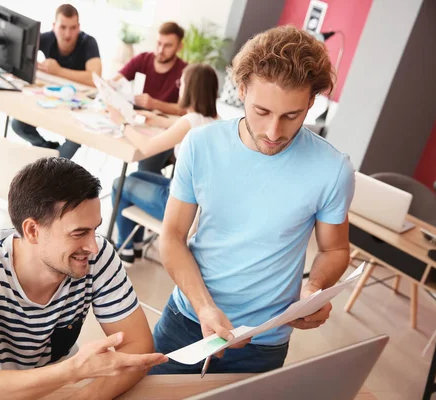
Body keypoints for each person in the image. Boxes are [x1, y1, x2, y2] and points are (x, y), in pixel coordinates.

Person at [151, 26, 355, 375]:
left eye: (291, 115)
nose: (274, 132)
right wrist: (204, 309)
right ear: (241, 89)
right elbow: (171, 237)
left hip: (264, 342)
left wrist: (316, 289)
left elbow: (334, 250)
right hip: (186, 322)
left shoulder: (333, 169)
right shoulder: (200, 145)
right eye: (262, 111)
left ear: (311, 101)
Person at [0, 157, 167, 399]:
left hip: (37, 390)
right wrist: (71, 371)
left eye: (95, 229)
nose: (94, 246)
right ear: (33, 230)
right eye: (79, 233)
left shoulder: (96, 258)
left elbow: (139, 345)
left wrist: (85, 397)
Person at [108, 64, 219, 264]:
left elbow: (147, 148)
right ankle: (136, 245)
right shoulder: (216, 121)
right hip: (197, 204)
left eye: (181, 83)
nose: (179, 87)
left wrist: (122, 123)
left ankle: (126, 248)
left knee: (119, 184)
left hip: (178, 205)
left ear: (190, 89)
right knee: (133, 178)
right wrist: (157, 119)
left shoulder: (190, 121)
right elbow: (183, 125)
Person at [11, 4, 101, 159]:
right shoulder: (46, 38)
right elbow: (19, 55)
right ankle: (47, 150)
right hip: (50, 101)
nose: (68, 34)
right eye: (63, 27)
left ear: (79, 27)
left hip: (77, 108)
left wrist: (58, 71)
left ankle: (54, 166)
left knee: (75, 139)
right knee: (18, 124)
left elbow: (95, 79)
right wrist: (34, 66)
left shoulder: (88, 42)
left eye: (73, 28)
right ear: (54, 26)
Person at [113, 21, 188, 174]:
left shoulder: (185, 71)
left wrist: (154, 103)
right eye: (159, 43)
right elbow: (115, 81)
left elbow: (184, 109)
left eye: (168, 45)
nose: (161, 50)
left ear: (179, 47)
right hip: (140, 120)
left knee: (146, 166)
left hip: (166, 130)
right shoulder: (143, 59)